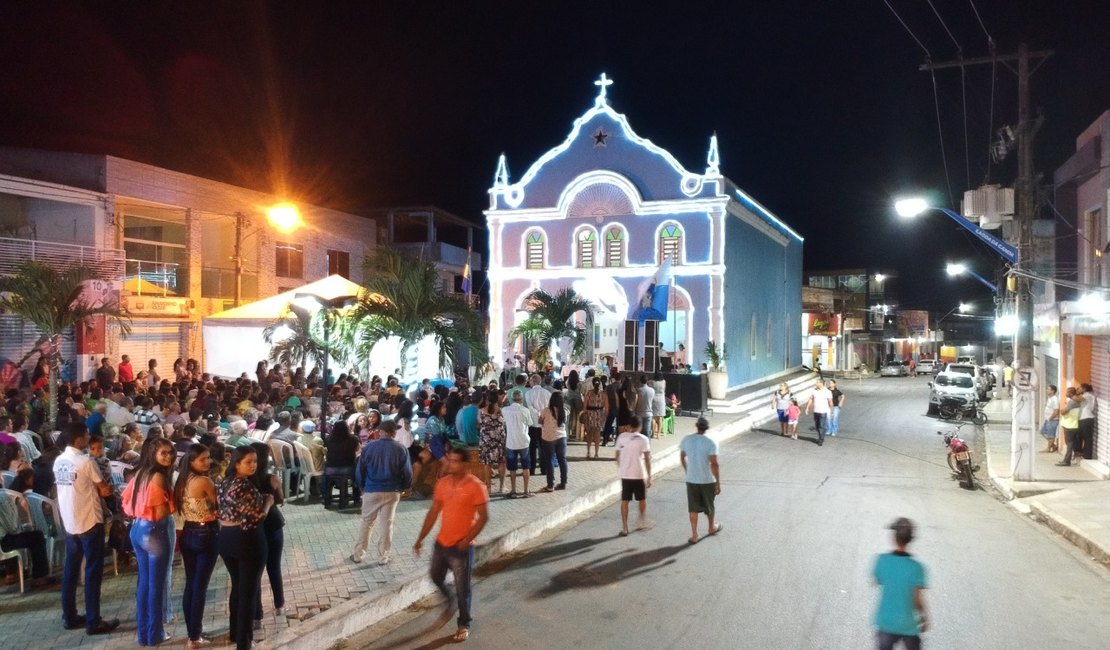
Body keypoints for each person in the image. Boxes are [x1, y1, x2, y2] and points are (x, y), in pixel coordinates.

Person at [413, 447, 490, 644]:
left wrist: (467, 540)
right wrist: (420, 538)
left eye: (455, 461)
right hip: (442, 542)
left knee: (463, 587)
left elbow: (483, 518)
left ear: (464, 464)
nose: (449, 464)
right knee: (435, 576)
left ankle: (463, 623)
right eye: (449, 460)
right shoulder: (442, 484)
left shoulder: (476, 486)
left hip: (461, 546)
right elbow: (433, 513)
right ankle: (450, 601)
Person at [54, 422, 120, 635]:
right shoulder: (85, 462)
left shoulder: (59, 461)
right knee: (93, 572)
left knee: (70, 571)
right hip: (90, 520)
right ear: (79, 439)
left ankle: (70, 615)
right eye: (86, 436)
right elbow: (103, 488)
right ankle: (93, 620)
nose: (88, 438)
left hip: (71, 522)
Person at [121, 437, 176, 646]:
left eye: (170, 453)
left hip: (137, 530)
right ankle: (155, 634)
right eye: (164, 453)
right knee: (156, 585)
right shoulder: (158, 477)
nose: (169, 457)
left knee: (144, 583)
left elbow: (127, 503)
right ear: (152, 454)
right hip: (155, 532)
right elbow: (163, 511)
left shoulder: (140, 473)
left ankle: (143, 634)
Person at [218, 446, 274, 650]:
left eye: (255, 461)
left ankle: (236, 632)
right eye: (248, 461)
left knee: (238, 586)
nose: (253, 465)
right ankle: (244, 642)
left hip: (226, 538)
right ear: (237, 462)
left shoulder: (225, 482)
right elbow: (258, 516)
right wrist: (268, 502)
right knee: (248, 591)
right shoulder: (243, 486)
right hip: (247, 539)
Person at [174, 443, 219, 650]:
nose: (207, 462)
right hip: (206, 534)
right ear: (191, 461)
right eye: (202, 459)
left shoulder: (181, 480)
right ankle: (195, 636)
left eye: (208, 457)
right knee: (199, 586)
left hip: (188, 532)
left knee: (191, 584)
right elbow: (218, 505)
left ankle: (192, 632)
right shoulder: (204, 481)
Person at [351, 420, 412, 565]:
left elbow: (360, 470)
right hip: (392, 491)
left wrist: (361, 486)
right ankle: (383, 556)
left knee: (367, 523)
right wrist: (405, 487)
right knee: (387, 524)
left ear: (381, 431)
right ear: (393, 432)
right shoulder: (401, 449)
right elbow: (407, 472)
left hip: (372, 489)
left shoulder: (369, 448)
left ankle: (358, 555)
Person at [873, 517, 928, 650]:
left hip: (886, 622)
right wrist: (924, 618)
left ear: (894, 538)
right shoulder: (917, 568)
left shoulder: (881, 560)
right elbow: (917, 600)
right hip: (907, 624)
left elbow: (879, 580)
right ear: (911, 539)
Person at [250, 441, 286, 626]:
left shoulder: (244, 480)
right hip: (272, 524)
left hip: (253, 528)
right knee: (274, 566)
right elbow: (281, 498)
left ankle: (257, 615)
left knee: (254, 572)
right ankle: (279, 604)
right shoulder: (271, 478)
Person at [0, 482, 53, 588]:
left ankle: (11, 573)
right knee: (36, 536)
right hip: (3, 542)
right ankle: (39, 577)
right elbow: (13, 527)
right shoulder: (2, 497)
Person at [679, 416, 721, 544]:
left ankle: (694, 535)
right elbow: (714, 464)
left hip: (691, 479)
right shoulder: (711, 442)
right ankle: (711, 527)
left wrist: (687, 470)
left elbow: (682, 457)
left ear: (696, 426)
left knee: (693, 508)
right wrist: (718, 482)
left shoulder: (687, 439)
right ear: (707, 428)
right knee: (709, 506)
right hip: (707, 479)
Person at [614, 415, 652, 536]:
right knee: (642, 499)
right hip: (639, 474)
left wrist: (622, 466)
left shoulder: (621, 437)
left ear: (629, 426)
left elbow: (616, 456)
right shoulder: (644, 439)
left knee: (625, 500)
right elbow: (647, 460)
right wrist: (649, 476)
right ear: (640, 426)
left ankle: (625, 528)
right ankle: (641, 520)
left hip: (625, 474)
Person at [501, 390, 534, 498]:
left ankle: (513, 490)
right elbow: (530, 424)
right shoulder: (525, 410)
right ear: (521, 399)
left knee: (512, 468)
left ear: (512, 399)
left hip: (511, 442)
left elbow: (503, 421)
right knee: (526, 467)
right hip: (524, 442)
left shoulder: (505, 410)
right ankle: (526, 490)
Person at [323, 420, 360, 509]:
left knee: (326, 478)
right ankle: (356, 498)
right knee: (357, 476)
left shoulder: (328, 439)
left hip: (331, 468)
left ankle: (326, 497)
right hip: (348, 467)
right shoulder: (353, 439)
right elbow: (357, 449)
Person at [538, 391, 568, 492]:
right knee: (562, 460)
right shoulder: (564, 410)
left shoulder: (546, 411)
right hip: (561, 437)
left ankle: (550, 485)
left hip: (548, 438)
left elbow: (540, 421)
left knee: (549, 461)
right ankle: (563, 483)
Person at [477, 393, 507, 495]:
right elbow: (504, 423)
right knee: (501, 462)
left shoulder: (481, 411)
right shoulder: (501, 411)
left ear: (487, 400)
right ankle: (502, 487)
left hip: (486, 441)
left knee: (487, 464)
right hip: (499, 440)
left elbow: (479, 424)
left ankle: (488, 488)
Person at [581, 376, 607, 459]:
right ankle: (596, 454)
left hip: (590, 415)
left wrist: (584, 414)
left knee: (589, 435)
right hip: (599, 415)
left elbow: (585, 406)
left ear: (592, 384)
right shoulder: (603, 394)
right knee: (597, 435)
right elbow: (606, 407)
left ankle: (588, 452)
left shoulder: (588, 393)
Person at [1056, 387, 1082, 467]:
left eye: (1067, 392)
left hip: (1070, 425)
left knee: (1069, 443)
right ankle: (1072, 457)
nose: (1066, 393)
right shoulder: (1075, 400)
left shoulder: (1072, 402)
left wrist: (1062, 410)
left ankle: (1067, 461)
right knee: (1072, 442)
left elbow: (1064, 411)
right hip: (1073, 424)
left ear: (1071, 393)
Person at [805, 379, 833, 446]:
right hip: (816, 411)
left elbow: (830, 402)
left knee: (821, 425)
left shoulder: (827, 392)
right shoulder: (814, 391)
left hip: (823, 411)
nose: (816, 384)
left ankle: (821, 439)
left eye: (817, 383)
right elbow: (811, 399)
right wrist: (807, 408)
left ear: (821, 384)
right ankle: (822, 434)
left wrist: (831, 410)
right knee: (817, 426)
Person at [1077, 383, 1097, 461]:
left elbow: (1078, 399)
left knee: (1087, 438)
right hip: (1083, 418)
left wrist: (1071, 393)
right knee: (1080, 437)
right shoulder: (1085, 395)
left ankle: (1087, 455)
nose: (1078, 389)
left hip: (1087, 418)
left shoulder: (1088, 395)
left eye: (1080, 388)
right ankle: (1082, 452)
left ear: (1084, 389)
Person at [1040, 385, 1060, 453]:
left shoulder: (1055, 399)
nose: (1047, 390)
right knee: (1042, 432)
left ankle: (1048, 448)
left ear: (1053, 391)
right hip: (1048, 419)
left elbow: (1056, 411)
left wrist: (1050, 418)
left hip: (1052, 420)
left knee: (1051, 435)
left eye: (1048, 389)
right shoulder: (1050, 398)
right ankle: (1053, 446)